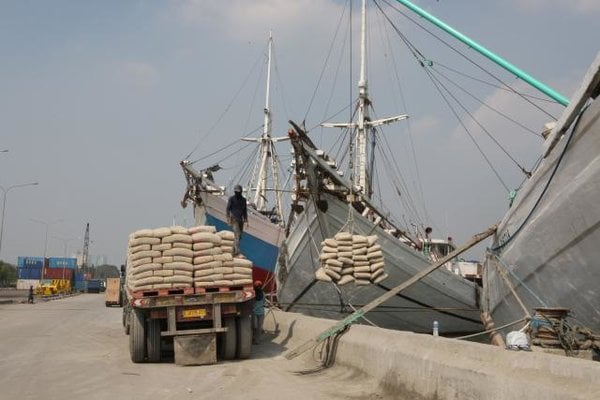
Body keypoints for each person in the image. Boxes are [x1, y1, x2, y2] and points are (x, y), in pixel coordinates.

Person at [226, 184, 248, 255]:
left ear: (241, 192)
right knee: (237, 234)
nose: (237, 193)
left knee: (239, 236)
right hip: (234, 219)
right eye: (236, 192)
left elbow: (245, 211)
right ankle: (237, 251)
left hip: (240, 220)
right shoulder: (231, 199)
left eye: (238, 192)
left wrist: (246, 220)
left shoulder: (244, 200)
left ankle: (232, 251)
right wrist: (228, 219)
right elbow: (228, 209)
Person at [252, 280, 266, 344]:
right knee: (255, 327)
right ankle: (255, 338)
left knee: (257, 327)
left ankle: (257, 340)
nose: (258, 288)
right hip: (256, 313)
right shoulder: (254, 294)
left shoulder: (261, 294)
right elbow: (263, 302)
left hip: (259, 313)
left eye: (259, 286)